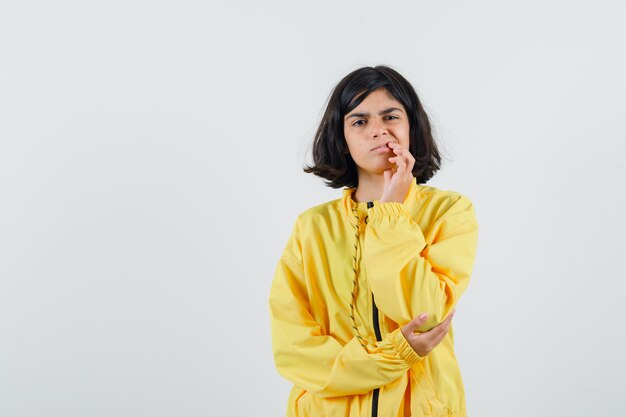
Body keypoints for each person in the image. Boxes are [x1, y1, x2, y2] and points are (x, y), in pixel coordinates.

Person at [268, 65, 479, 417]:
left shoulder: (449, 211)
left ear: (412, 128)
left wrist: (391, 213)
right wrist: (397, 354)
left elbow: (424, 315)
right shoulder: (312, 227)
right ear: (343, 139)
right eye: (360, 121)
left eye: (391, 116)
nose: (379, 130)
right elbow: (294, 351)